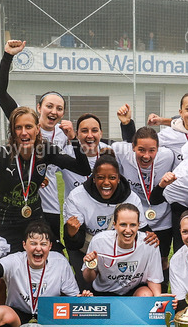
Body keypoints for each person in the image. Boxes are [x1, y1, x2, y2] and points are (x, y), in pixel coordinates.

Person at [0, 106, 89, 305]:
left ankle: (41, 317)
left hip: (33, 222)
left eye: (28, 127)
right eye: (18, 128)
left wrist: (74, 139)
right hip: (3, 224)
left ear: (37, 128)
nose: (24, 132)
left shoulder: (46, 151)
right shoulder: (1, 154)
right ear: (12, 132)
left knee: (45, 269)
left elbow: (83, 168)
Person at [0, 40, 72, 246]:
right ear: (39, 107)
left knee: (53, 249)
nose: (54, 111)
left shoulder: (64, 134)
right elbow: (0, 93)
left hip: (50, 203)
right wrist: (8, 56)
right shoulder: (25, 120)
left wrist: (74, 137)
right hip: (21, 202)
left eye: (59, 108)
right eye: (49, 106)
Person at [63, 155, 151, 282]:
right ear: (93, 179)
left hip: (120, 250)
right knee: (87, 288)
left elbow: (141, 231)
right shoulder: (77, 197)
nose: (106, 182)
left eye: (112, 178)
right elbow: (74, 244)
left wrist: (150, 236)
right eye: (100, 177)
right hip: (87, 250)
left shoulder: (131, 197)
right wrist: (71, 233)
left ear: (119, 179)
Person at [112, 119, 178, 285]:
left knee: (162, 259)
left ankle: (161, 295)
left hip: (163, 219)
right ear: (133, 147)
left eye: (152, 150)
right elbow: (103, 148)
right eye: (141, 150)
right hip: (135, 220)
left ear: (158, 149)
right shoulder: (121, 152)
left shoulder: (167, 156)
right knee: (136, 260)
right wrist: (127, 123)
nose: (146, 155)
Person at [82, 203, 163, 296]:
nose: (128, 230)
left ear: (139, 225)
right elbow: (88, 278)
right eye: (123, 225)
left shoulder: (149, 243)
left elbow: (153, 278)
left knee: (146, 294)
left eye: (132, 225)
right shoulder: (99, 241)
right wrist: (89, 267)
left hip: (133, 289)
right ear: (114, 225)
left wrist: (158, 299)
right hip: (104, 291)